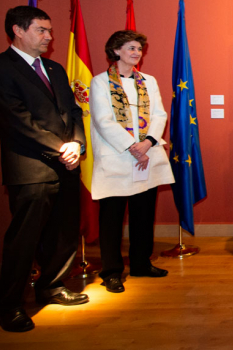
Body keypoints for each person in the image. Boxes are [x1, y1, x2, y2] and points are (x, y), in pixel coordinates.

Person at [0, 6, 88, 332]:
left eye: (50, 31)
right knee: (24, 240)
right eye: (42, 30)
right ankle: (10, 306)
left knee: (65, 233)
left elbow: (73, 111)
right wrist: (61, 149)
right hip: (30, 169)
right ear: (17, 30)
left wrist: (77, 145)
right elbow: (15, 121)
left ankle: (52, 286)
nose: (49, 37)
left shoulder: (55, 68)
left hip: (67, 165)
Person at [89, 30, 175, 293]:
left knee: (143, 214)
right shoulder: (100, 82)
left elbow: (160, 114)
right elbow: (103, 121)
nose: (136, 53)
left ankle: (140, 263)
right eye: (131, 48)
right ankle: (112, 271)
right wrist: (130, 146)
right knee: (112, 219)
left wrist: (147, 142)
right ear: (116, 51)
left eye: (139, 48)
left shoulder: (148, 81)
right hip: (117, 158)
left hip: (146, 155)